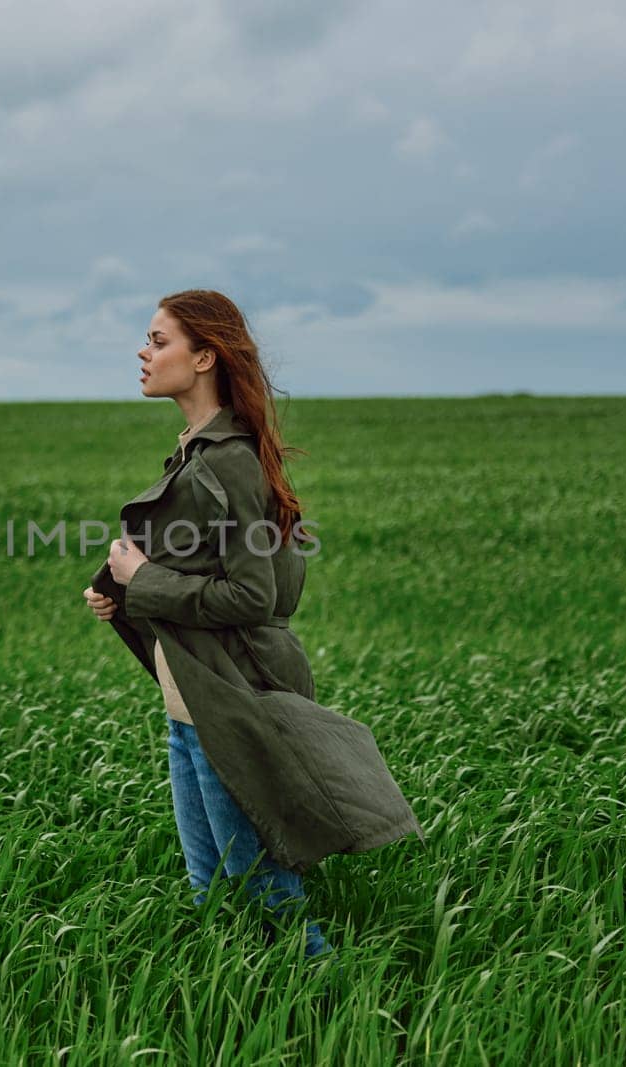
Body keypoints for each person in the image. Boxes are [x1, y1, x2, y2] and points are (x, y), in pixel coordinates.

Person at [83, 289, 418, 962]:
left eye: (158, 340)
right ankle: (241, 1019)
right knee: (214, 896)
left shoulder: (226, 460)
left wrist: (142, 580)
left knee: (268, 894)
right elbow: (204, 564)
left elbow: (253, 594)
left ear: (203, 356)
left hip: (224, 709)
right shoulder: (196, 452)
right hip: (189, 711)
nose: (143, 353)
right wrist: (121, 591)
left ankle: (341, 1019)